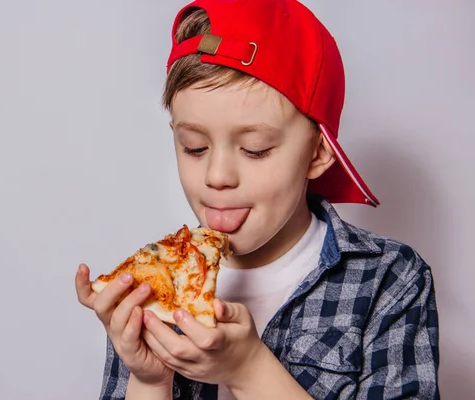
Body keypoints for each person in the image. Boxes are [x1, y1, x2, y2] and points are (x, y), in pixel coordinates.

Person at [75, 0, 440, 399]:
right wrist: (149, 381)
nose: (217, 177)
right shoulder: (154, 283)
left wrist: (248, 369)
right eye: (195, 147)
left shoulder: (390, 280)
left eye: (255, 149)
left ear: (318, 153)